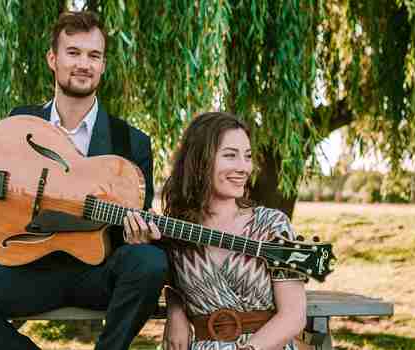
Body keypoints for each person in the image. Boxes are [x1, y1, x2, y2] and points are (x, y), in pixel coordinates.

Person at [0, 11, 168, 350]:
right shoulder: (20, 124)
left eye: (94, 55)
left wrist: (139, 237)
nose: (84, 64)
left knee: (151, 262)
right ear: (53, 58)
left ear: (103, 65)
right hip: (29, 270)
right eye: (73, 52)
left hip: (98, 273)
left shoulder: (131, 142)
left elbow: (135, 229)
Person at [126, 112, 307, 350]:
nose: (243, 168)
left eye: (247, 156)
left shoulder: (273, 225)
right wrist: (175, 308)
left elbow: (294, 316)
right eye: (230, 156)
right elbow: (171, 282)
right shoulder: (177, 231)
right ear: (200, 162)